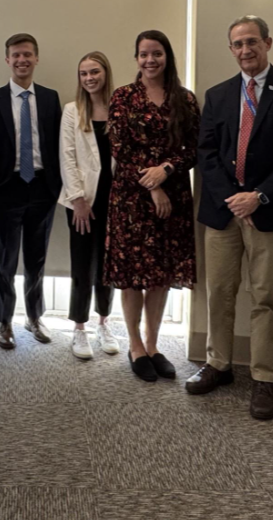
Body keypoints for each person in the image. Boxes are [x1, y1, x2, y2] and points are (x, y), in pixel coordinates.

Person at [189, 16, 273, 420]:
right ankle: (219, 365)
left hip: (270, 211)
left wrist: (258, 197)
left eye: (252, 42)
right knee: (219, 291)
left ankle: (264, 377)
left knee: (264, 297)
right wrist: (234, 198)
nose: (245, 50)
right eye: (238, 44)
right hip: (223, 212)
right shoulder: (219, 94)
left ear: (267, 43)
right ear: (231, 49)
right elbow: (205, 154)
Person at [105, 29, 200, 382]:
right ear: (136, 58)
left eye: (156, 53)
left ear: (167, 57)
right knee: (132, 277)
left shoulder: (185, 100)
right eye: (143, 54)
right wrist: (153, 186)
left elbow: (192, 148)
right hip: (131, 199)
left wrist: (167, 172)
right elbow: (120, 149)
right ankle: (134, 346)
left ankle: (153, 344)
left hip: (173, 197)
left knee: (160, 275)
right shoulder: (123, 97)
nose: (150, 60)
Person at [0, 33, 62, 350]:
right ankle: (5, 322)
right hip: (6, 188)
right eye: (15, 55)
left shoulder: (51, 99)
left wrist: (57, 186)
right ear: (7, 60)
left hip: (42, 186)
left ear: (36, 58)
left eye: (27, 54)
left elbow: (57, 145)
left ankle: (34, 317)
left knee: (36, 259)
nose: (21, 60)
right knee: (6, 260)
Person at [59, 52, 121, 359]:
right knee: (82, 266)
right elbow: (67, 157)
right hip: (82, 201)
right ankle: (79, 328)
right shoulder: (72, 111)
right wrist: (79, 201)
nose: (89, 78)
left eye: (94, 72)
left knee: (108, 267)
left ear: (106, 73)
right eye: (83, 74)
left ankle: (104, 322)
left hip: (116, 199)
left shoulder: (120, 108)